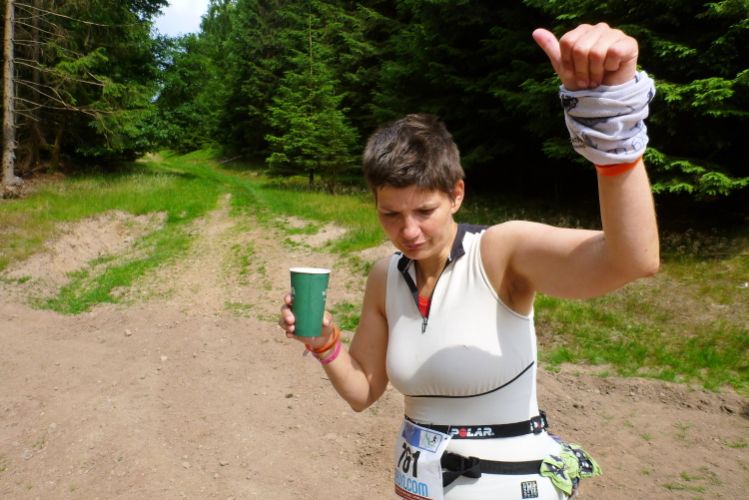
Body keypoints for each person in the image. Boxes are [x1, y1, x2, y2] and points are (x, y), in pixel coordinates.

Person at [278, 23, 659, 500]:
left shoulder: (500, 252)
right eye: (390, 214)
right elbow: (363, 392)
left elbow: (631, 259)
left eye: (424, 211)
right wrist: (323, 343)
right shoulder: (385, 276)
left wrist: (611, 124)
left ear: (456, 194)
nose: (408, 231)